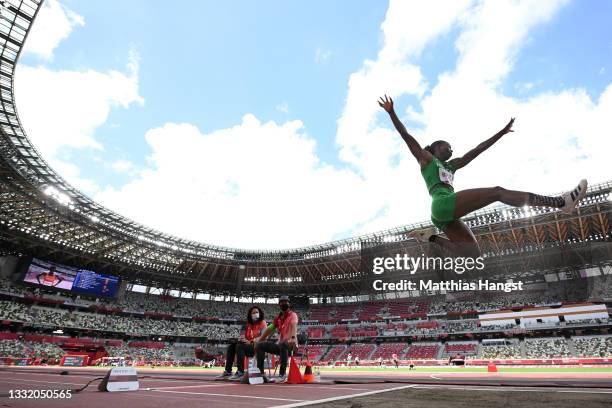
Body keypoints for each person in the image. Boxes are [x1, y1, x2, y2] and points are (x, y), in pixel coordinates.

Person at [378, 95, 588, 258]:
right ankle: (561, 202)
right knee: (497, 192)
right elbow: (407, 137)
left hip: (443, 214)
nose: (451, 149)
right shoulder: (426, 160)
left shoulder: (452, 165)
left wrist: (501, 133)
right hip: (441, 204)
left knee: (473, 253)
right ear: (435, 148)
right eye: (447, 146)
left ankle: (431, 237)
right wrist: (392, 113)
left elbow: (477, 150)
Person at [254, 295, 299, 383]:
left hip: (291, 345)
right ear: (279, 305)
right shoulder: (278, 318)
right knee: (260, 346)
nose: (284, 304)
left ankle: (282, 375)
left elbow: (294, 326)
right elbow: (269, 329)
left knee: (283, 344)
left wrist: (293, 338)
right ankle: (261, 374)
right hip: (280, 345)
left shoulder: (293, 315)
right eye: (282, 302)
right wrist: (259, 340)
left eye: (286, 302)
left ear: (289, 304)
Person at [217, 306, 267, 380]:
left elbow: (264, 337)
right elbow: (242, 335)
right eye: (253, 313)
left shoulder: (262, 323)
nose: (255, 314)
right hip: (246, 346)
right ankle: (228, 371)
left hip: (257, 347)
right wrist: (241, 339)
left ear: (260, 313)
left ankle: (240, 372)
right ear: (250, 315)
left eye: (257, 312)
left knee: (240, 346)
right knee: (232, 346)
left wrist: (250, 341)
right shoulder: (247, 324)